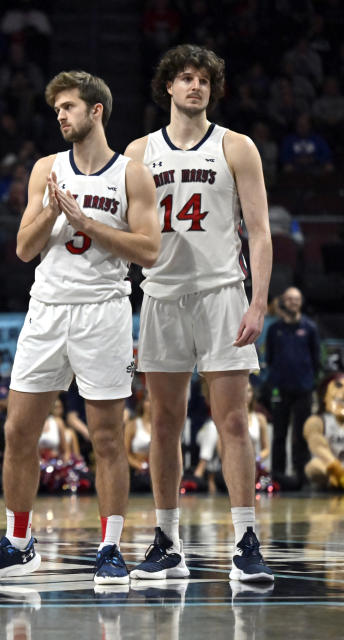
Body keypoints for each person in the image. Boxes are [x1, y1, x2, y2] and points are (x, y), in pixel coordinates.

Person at [0, 70, 159, 585]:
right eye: (56, 110)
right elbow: (24, 249)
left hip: (103, 312)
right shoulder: (46, 168)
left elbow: (150, 251)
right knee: (18, 430)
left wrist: (88, 222)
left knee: (107, 437)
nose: (61, 117)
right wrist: (53, 210)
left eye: (69, 107)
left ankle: (111, 548)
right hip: (47, 309)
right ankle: (18, 543)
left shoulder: (131, 174)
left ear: (96, 111)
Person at [124, 44, 274, 582]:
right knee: (163, 422)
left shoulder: (237, 147)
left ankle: (245, 538)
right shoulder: (138, 152)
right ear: (168, 86)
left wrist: (258, 301)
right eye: (185, 78)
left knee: (232, 419)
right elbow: (127, 235)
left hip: (221, 294)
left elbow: (258, 230)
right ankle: (167, 539)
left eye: (204, 80)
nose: (195, 87)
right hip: (161, 295)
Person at [264, 287, 320, 480]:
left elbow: (316, 358)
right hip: (280, 388)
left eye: (296, 299)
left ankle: (301, 476)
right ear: (283, 302)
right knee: (279, 434)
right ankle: (278, 475)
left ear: (301, 302)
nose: (293, 302)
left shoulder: (310, 328)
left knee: (302, 433)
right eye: (289, 299)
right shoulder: (274, 330)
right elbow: (269, 358)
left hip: (303, 388)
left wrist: (310, 381)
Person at [303, 374, 344, 489]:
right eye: (338, 386)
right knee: (313, 466)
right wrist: (337, 469)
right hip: (329, 467)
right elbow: (318, 447)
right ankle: (335, 479)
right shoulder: (318, 421)